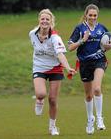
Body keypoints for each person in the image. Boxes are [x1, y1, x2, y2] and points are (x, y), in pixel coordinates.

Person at [68, 4, 111, 135]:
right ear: (86, 15)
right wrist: (82, 40)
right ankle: (90, 119)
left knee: (97, 89)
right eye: (90, 15)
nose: (93, 17)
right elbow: (70, 47)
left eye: (95, 15)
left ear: (97, 16)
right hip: (84, 64)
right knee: (89, 95)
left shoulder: (102, 28)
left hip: (100, 61)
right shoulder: (79, 28)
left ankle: (100, 118)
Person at [29, 8, 76, 136]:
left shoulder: (55, 38)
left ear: (51, 22)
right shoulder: (32, 34)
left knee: (53, 100)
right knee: (41, 94)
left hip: (55, 68)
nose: (44, 21)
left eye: (47, 19)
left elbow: (60, 54)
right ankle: (39, 100)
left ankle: (52, 127)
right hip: (39, 67)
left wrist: (67, 67)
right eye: (42, 19)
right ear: (39, 20)